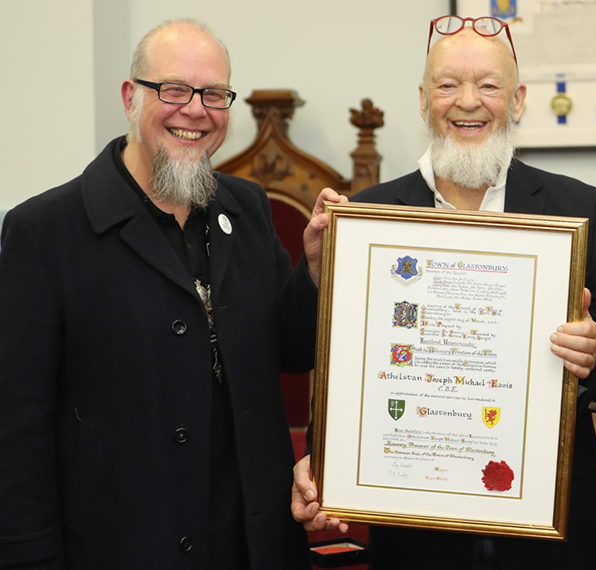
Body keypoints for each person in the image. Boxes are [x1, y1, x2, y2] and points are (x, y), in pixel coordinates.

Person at [291, 15, 596, 569]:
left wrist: (595, 355)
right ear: (422, 98)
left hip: (556, 530)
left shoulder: (580, 208)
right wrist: (326, 460)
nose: (468, 102)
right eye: (448, 84)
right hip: (417, 536)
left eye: (488, 85)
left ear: (519, 99)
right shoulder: (371, 217)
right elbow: (344, 361)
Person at [0, 19, 344, 570]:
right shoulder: (45, 232)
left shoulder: (247, 208)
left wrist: (313, 272)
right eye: (174, 90)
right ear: (130, 97)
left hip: (254, 541)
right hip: (125, 545)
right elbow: (18, 432)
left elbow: (292, 350)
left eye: (213, 94)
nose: (195, 110)